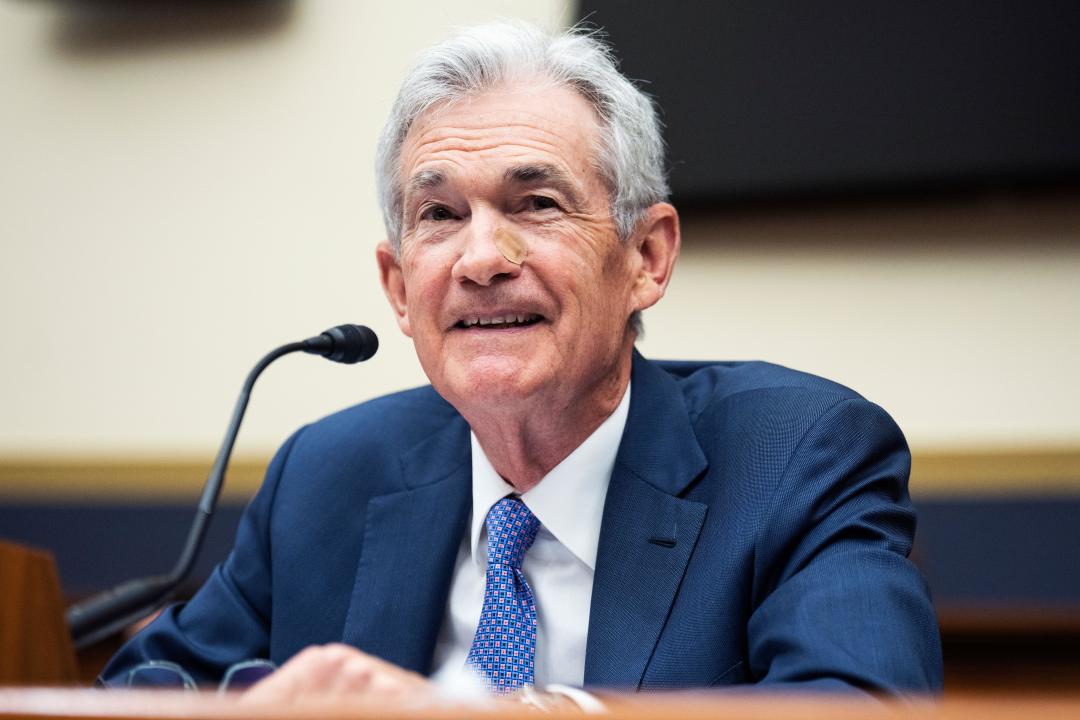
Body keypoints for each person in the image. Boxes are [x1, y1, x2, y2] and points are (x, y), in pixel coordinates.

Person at [101, 21, 943, 703]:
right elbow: (143, 688)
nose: (480, 259)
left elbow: (862, 702)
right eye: (438, 214)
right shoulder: (329, 477)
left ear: (646, 257)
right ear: (398, 288)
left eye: (535, 203)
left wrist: (505, 715)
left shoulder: (797, 455)